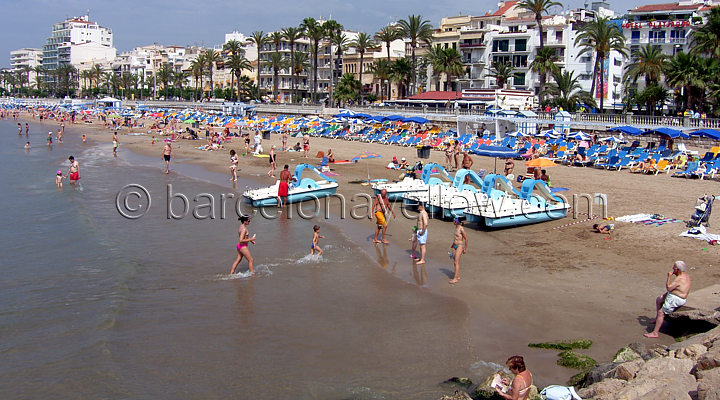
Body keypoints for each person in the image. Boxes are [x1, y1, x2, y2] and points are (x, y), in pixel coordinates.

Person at [644, 261, 691, 338]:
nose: (672, 269)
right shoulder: (686, 276)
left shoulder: (679, 279)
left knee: (661, 313)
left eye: (674, 268)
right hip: (673, 294)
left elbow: (669, 288)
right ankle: (657, 319)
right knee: (659, 299)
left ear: (678, 270)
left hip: (676, 298)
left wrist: (669, 277)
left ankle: (655, 333)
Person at [449, 218, 468, 284]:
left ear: (457, 222)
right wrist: (452, 245)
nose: (453, 222)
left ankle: (455, 278)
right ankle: (458, 275)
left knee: (456, 262)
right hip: (454, 246)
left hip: (459, 246)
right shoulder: (456, 228)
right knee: (454, 261)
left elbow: (466, 239)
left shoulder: (461, 229)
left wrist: (465, 249)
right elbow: (455, 238)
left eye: (454, 221)